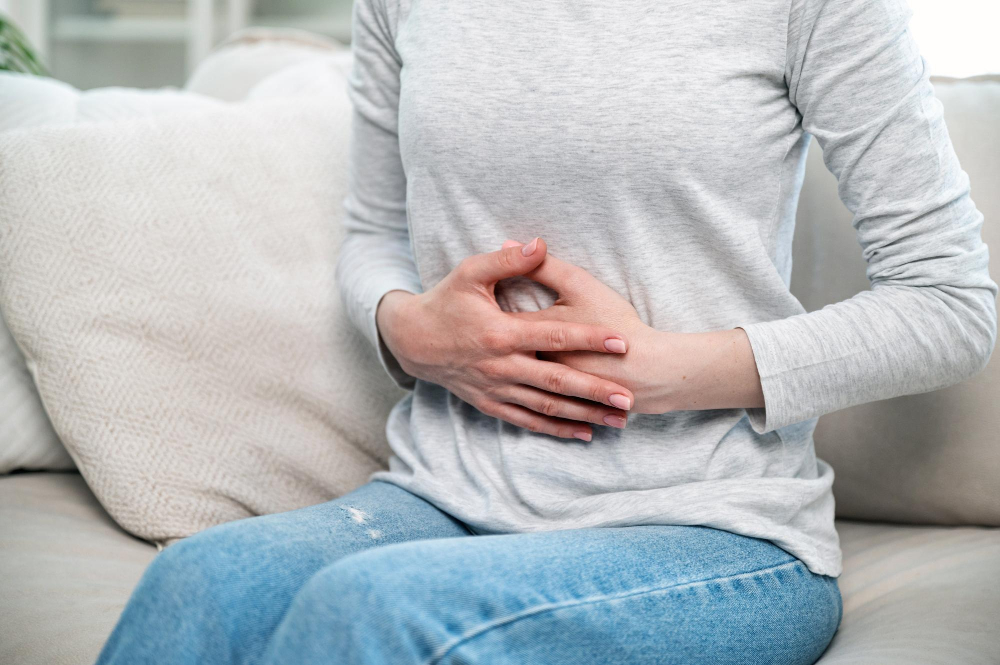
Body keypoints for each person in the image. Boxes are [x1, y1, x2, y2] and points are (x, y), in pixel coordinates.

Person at [96, 0, 997, 663]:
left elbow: (952, 303)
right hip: (442, 497)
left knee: (376, 607)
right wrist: (408, 330)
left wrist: (669, 372)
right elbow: (373, 231)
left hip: (707, 525)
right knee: (198, 585)